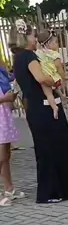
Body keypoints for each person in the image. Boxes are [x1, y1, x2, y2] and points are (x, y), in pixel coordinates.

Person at [9, 19, 68, 204]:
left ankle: (62, 189)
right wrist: (55, 80)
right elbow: (40, 78)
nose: (35, 39)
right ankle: (53, 190)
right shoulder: (29, 57)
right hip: (42, 107)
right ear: (25, 37)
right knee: (52, 147)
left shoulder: (19, 58)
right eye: (32, 35)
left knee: (52, 146)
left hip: (37, 106)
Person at [0, 59, 24, 207]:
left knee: (6, 154)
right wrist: (5, 98)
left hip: (4, 113)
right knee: (1, 155)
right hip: (2, 110)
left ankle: (9, 188)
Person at [36, 29, 66, 118]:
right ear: (49, 44)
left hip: (44, 77)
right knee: (56, 87)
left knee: (49, 94)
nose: (57, 44)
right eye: (55, 42)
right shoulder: (55, 54)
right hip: (54, 77)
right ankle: (62, 96)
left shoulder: (38, 53)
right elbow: (58, 67)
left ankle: (54, 107)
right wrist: (63, 77)